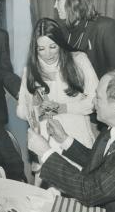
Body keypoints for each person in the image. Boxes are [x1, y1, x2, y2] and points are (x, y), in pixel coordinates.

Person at [28, 68, 115, 212]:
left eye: (97, 97)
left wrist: (45, 153)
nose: (92, 101)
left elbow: (90, 191)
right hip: (101, 211)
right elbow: (103, 164)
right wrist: (65, 140)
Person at [17, 18, 98, 149]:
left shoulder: (79, 60)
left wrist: (62, 108)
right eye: (41, 49)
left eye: (53, 47)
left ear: (60, 43)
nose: (48, 54)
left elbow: (95, 101)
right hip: (47, 141)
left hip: (77, 137)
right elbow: (21, 111)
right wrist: (36, 109)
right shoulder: (30, 70)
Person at [54, 0, 115, 78]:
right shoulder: (62, 29)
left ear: (74, 1)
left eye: (58, 0)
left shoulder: (106, 26)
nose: (55, 6)